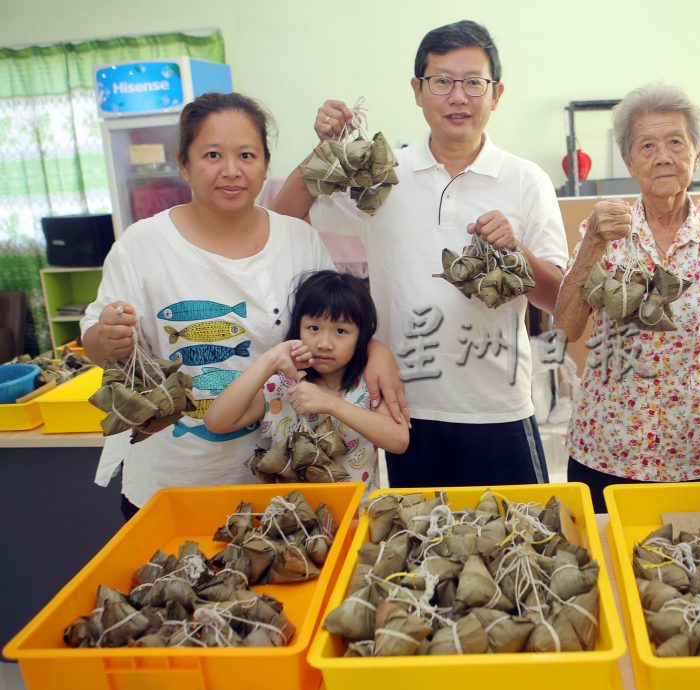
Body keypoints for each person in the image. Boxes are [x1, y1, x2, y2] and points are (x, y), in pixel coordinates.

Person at [272, 20, 568, 488]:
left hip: (497, 408)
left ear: (497, 93)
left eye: (474, 82)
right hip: (402, 409)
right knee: (424, 550)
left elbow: (559, 303)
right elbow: (285, 214)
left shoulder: (525, 180)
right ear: (417, 89)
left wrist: (517, 252)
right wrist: (324, 149)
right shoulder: (385, 173)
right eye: (442, 81)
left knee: (519, 545)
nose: (458, 96)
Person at [81, 92, 396, 519]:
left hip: (284, 483)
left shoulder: (298, 240)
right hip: (173, 483)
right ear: (184, 163)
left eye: (246, 155)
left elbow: (339, 317)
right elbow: (98, 346)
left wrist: (377, 351)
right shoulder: (143, 244)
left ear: (266, 165)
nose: (231, 170)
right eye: (212, 154)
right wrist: (109, 337)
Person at [553, 84, 700, 512]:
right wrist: (591, 244)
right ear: (629, 161)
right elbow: (566, 329)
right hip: (608, 448)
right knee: (608, 560)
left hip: (699, 450)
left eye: (675, 142)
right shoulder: (604, 233)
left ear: (697, 154)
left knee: (693, 569)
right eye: (647, 145)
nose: (663, 156)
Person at [205, 270, 408, 493]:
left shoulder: (367, 382)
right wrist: (271, 358)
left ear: (360, 337)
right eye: (313, 328)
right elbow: (217, 421)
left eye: (341, 330)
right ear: (297, 327)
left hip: (358, 521)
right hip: (295, 523)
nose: (324, 343)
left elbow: (398, 440)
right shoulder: (279, 386)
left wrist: (330, 404)